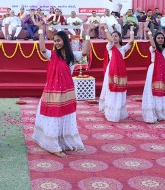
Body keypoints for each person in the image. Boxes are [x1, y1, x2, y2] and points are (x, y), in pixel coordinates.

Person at [32, 21, 92, 157]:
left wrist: (87, 35)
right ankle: (52, 145)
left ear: (64, 40)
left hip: (67, 91)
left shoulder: (72, 57)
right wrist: (41, 30)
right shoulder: (52, 55)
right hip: (52, 91)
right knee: (53, 115)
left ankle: (63, 141)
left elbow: (85, 52)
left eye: (58, 40)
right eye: (54, 41)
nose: (56, 43)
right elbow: (42, 49)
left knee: (64, 115)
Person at [99, 26, 134, 122]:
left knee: (120, 91)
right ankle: (110, 111)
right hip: (111, 70)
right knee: (111, 90)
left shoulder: (123, 48)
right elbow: (110, 40)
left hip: (121, 71)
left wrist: (131, 30)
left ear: (120, 38)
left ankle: (119, 111)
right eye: (112, 36)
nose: (114, 38)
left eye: (116, 36)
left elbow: (131, 41)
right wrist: (105, 30)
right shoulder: (110, 46)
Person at [142, 30, 165, 123]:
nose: (160, 39)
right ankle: (153, 113)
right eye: (158, 38)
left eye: (162, 38)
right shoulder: (153, 49)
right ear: (155, 39)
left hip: (163, 72)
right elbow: (153, 45)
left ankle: (162, 113)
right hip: (153, 71)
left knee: (162, 91)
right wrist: (149, 33)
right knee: (153, 91)